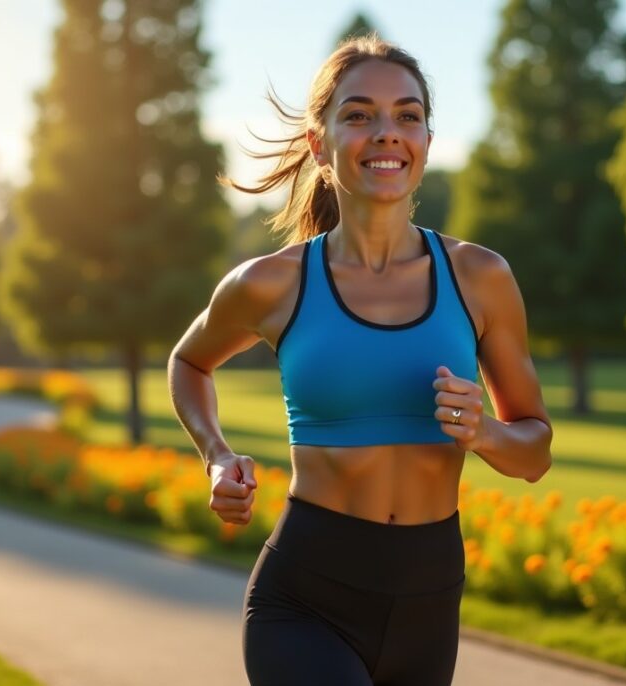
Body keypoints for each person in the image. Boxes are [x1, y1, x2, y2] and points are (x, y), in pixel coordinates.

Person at [168, 33, 553, 686]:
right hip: (305, 599)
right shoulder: (271, 283)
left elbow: (535, 451)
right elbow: (189, 361)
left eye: (408, 115)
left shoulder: (480, 277)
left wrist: (485, 432)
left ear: (427, 141)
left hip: (430, 603)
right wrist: (216, 456)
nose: (387, 133)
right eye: (358, 115)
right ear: (319, 145)